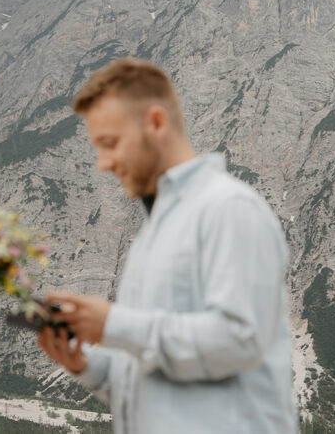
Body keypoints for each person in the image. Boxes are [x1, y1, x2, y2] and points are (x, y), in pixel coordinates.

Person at [38, 58, 296, 433]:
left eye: (110, 143)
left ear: (156, 123)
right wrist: (84, 365)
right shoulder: (152, 234)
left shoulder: (228, 208)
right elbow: (156, 386)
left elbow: (241, 341)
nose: (102, 164)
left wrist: (112, 324)